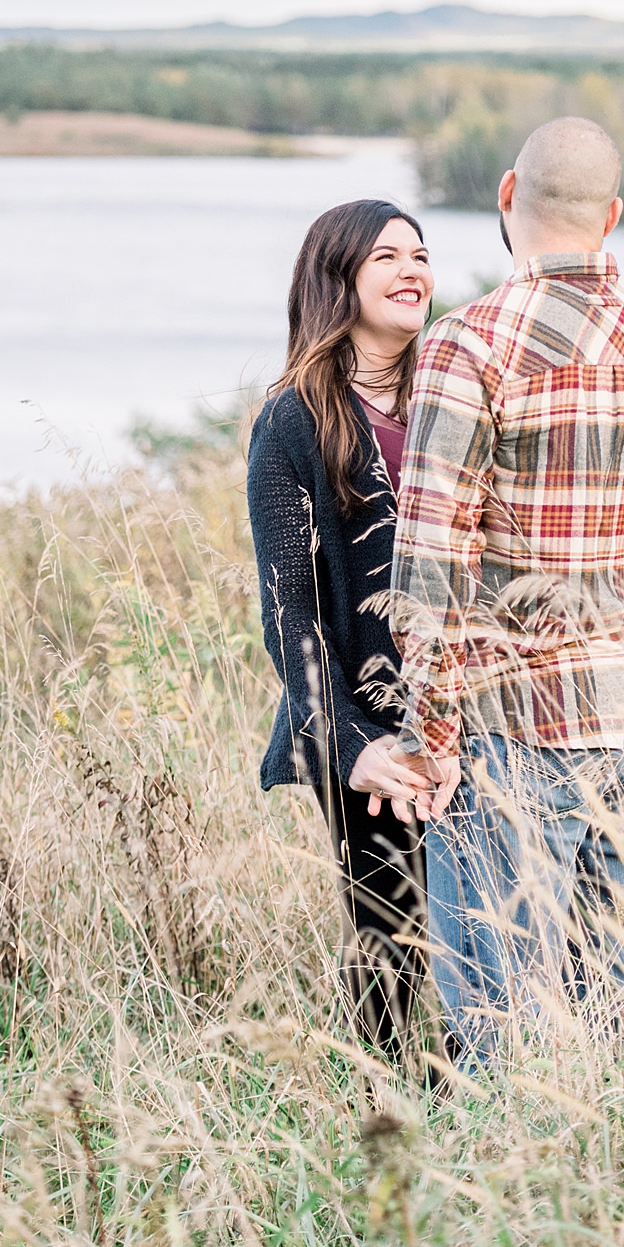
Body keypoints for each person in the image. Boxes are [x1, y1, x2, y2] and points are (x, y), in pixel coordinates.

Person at [388, 117, 624, 1063]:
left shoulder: (469, 348)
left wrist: (431, 740)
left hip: (513, 729)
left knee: (505, 1030)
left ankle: (515, 1199)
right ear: (612, 216)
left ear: (506, 195)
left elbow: (431, 571)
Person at [247, 199, 440, 1067]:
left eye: (422, 255)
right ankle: (396, 1114)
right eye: (387, 258)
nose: (414, 272)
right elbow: (286, 610)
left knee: (496, 929)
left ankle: (502, 1104)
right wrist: (354, 744)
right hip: (369, 727)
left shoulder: (454, 393)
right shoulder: (293, 420)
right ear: (338, 280)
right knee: (392, 938)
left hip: (475, 715)